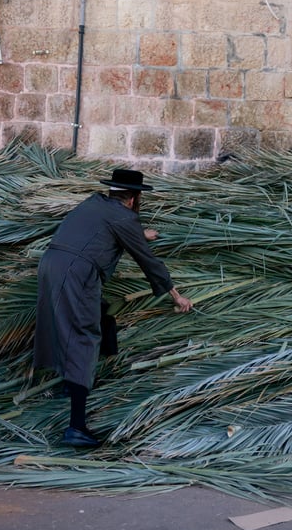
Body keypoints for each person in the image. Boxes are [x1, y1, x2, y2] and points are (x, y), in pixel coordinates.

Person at [34, 168, 192, 447]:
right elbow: (148, 261)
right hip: (76, 273)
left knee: (91, 317)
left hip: (51, 265)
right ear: (133, 198)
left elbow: (107, 231)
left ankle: (75, 383)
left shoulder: (93, 204)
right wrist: (176, 295)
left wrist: (141, 233)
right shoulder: (124, 216)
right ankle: (77, 426)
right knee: (84, 335)